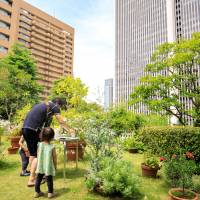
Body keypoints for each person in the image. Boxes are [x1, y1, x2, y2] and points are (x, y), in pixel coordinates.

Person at [22, 97, 75, 186]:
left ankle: (35, 176)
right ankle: (32, 179)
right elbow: (61, 121)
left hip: (25, 129)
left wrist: (49, 136)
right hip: (33, 130)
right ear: (58, 104)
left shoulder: (44, 106)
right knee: (37, 155)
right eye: (60, 107)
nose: (59, 110)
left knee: (33, 154)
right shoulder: (54, 106)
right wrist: (70, 130)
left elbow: (46, 128)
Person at [34, 127, 57, 198]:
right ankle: (50, 193)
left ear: (42, 135)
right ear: (52, 136)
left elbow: (38, 155)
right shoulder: (52, 146)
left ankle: (37, 192)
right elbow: (54, 158)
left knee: (38, 178)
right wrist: (55, 166)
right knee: (49, 179)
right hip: (48, 166)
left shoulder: (39, 145)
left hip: (40, 165)